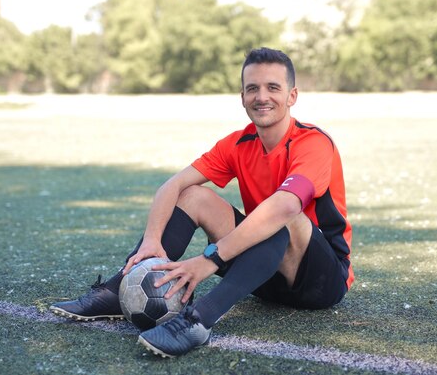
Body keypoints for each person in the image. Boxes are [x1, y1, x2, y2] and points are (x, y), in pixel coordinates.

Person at [50, 47, 354, 357]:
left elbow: (286, 208)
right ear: (243, 97)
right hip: (263, 275)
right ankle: (118, 290)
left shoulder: (313, 143)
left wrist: (210, 258)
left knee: (282, 216)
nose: (262, 96)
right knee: (193, 195)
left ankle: (198, 321)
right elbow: (174, 185)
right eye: (253, 88)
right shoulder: (238, 143)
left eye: (273, 87)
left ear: (292, 96)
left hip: (320, 281)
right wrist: (152, 241)